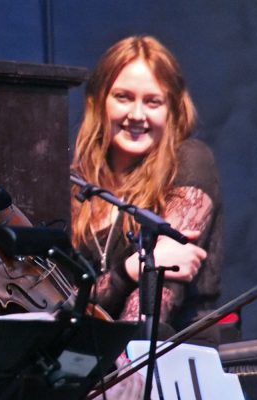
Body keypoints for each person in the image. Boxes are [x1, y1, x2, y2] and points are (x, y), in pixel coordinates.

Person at [71, 35, 223, 343]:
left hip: (166, 358)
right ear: (98, 101)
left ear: (172, 109)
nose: (137, 115)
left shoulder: (190, 161)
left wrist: (126, 366)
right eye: (124, 97)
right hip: (88, 364)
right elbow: (63, 305)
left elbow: (159, 293)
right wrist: (127, 270)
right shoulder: (75, 182)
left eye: (153, 101)